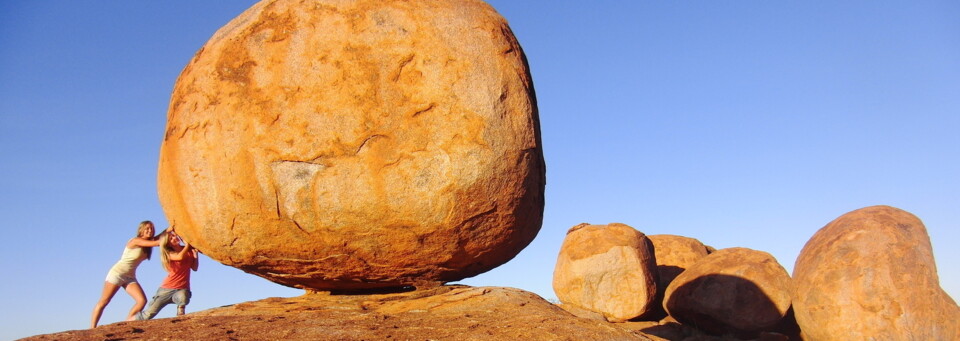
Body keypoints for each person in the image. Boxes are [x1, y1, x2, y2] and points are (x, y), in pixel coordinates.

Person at [90, 221, 166, 328]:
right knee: (104, 301)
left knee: (141, 301)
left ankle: (127, 323)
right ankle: (92, 327)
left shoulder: (148, 242)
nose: (150, 230)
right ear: (141, 230)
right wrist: (167, 237)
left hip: (130, 277)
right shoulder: (135, 241)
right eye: (147, 228)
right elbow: (158, 242)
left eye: (152, 229)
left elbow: (159, 237)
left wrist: (171, 229)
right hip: (118, 273)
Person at [136, 228, 199, 320]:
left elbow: (194, 268)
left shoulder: (187, 250)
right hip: (166, 289)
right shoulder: (169, 253)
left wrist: (195, 256)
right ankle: (128, 321)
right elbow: (179, 257)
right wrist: (187, 245)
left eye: (174, 235)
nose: (174, 237)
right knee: (148, 315)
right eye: (171, 238)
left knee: (183, 296)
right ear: (168, 243)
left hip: (182, 288)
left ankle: (180, 313)